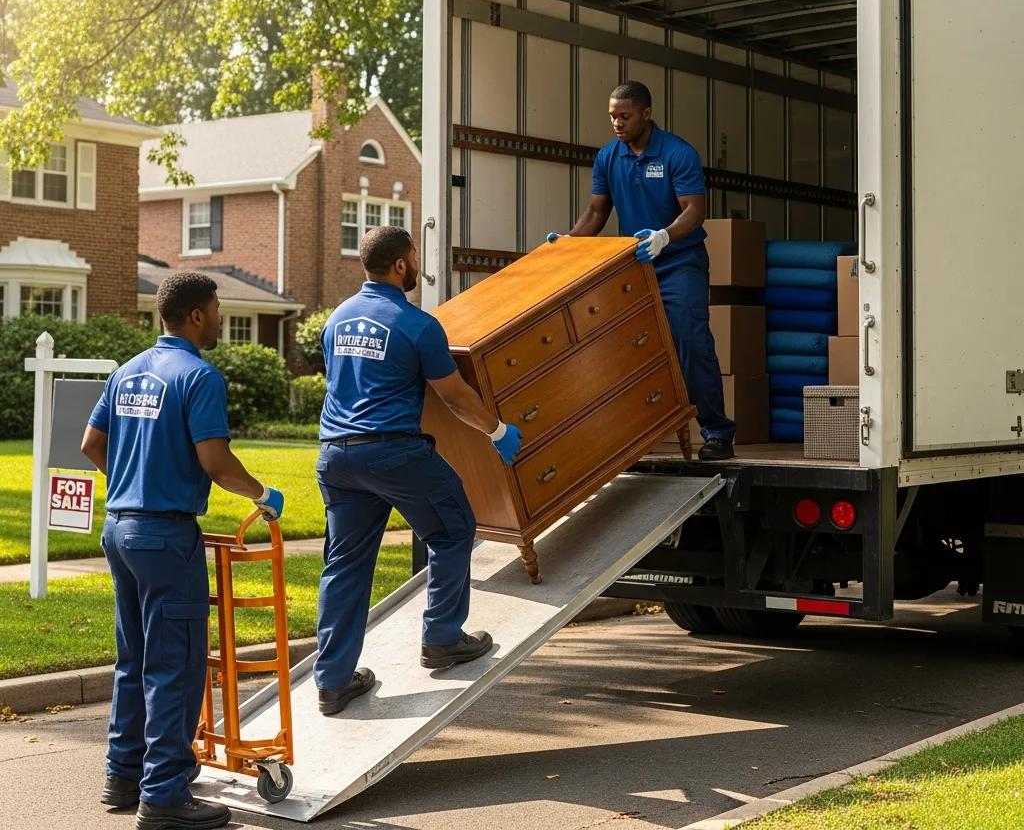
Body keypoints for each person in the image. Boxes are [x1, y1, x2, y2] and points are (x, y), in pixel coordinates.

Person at [81, 271, 284, 830]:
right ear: (196, 315)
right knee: (176, 666)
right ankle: (166, 794)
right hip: (166, 537)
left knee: (135, 659)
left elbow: (91, 444)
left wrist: (133, 480)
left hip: (120, 528)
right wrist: (263, 495)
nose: (220, 318)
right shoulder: (200, 375)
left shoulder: (126, 372)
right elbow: (215, 461)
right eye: (216, 309)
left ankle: (122, 775)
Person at [314, 225, 521, 715]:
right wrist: (497, 432)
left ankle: (333, 681)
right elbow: (453, 395)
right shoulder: (417, 324)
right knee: (453, 529)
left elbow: (348, 384)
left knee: (344, 564)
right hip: (393, 453)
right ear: (402, 264)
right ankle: (443, 638)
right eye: (414, 256)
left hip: (336, 456)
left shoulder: (336, 320)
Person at [549, 80, 736, 461]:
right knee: (625, 348)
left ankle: (717, 433)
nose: (617, 123)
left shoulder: (677, 153)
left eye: (625, 115)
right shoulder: (607, 157)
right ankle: (634, 433)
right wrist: (567, 245)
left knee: (689, 340)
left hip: (679, 262)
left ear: (646, 114)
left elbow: (694, 211)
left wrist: (665, 237)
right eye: (612, 116)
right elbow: (596, 213)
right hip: (635, 265)